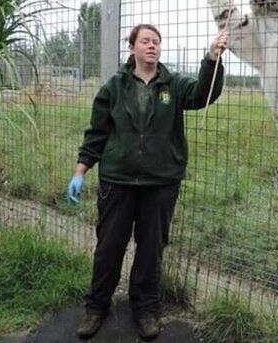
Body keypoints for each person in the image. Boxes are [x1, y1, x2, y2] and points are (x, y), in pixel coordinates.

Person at [66, 24, 228, 341]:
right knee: (109, 247)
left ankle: (146, 310)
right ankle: (96, 308)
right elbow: (96, 134)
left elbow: (202, 94)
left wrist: (212, 60)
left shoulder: (174, 84)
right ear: (133, 48)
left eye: (156, 42)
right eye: (145, 41)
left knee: (151, 249)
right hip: (118, 181)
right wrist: (80, 171)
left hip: (160, 182)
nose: (152, 46)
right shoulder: (114, 87)